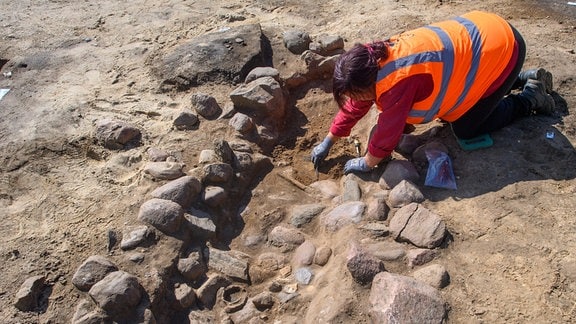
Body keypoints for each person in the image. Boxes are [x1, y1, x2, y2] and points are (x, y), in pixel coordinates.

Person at [311, 10, 555, 174]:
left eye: (355, 93)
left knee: (466, 128)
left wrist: (367, 162)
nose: (354, 100)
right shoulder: (374, 59)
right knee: (466, 86)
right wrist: (330, 138)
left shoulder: (397, 81)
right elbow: (358, 102)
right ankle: (523, 77)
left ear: (366, 85)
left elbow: (388, 131)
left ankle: (529, 98)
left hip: (505, 51)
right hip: (489, 33)